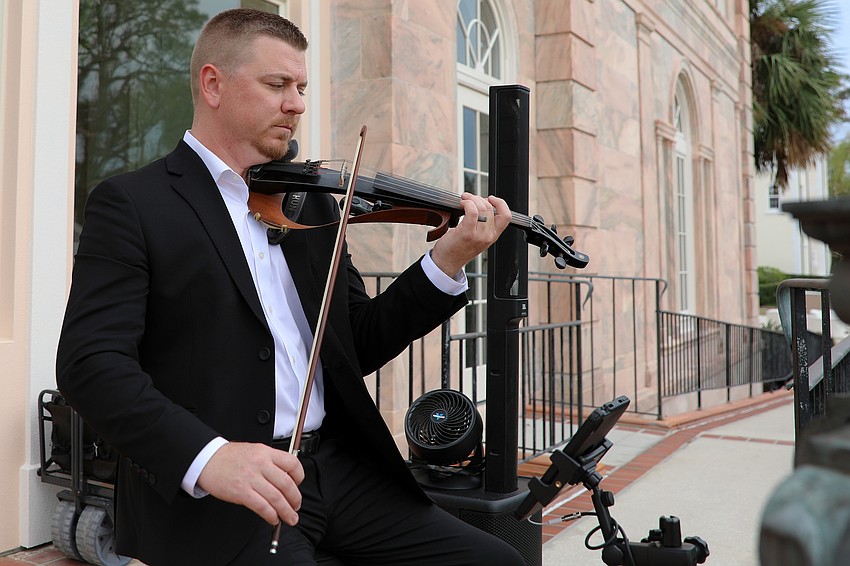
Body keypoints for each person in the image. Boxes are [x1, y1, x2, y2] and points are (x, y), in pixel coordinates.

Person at [56, 8, 526, 566]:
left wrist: (446, 261)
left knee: (497, 561)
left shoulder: (310, 203)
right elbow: (91, 364)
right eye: (277, 84)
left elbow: (357, 341)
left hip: (335, 469)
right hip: (224, 493)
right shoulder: (134, 203)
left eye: (301, 87)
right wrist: (210, 457)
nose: (297, 104)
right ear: (213, 84)